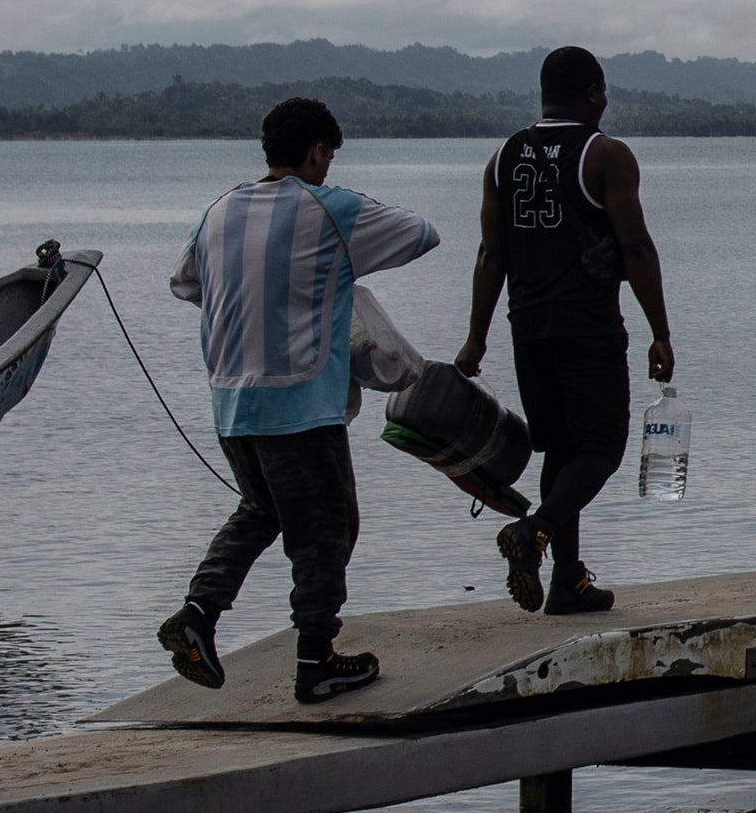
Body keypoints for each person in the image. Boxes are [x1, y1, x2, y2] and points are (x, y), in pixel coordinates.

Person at [161, 97, 441, 701]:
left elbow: (185, 282)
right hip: (300, 405)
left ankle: (196, 615)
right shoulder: (329, 208)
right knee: (328, 530)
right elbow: (423, 232)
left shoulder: (218, 211)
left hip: (232, 405)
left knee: (262, 511)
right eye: (328, 157)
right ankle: (315, 662)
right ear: (318, 152)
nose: (327, 167)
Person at [457, 49, 677, 617]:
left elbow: (491, 254)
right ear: (595, 93)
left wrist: (476, 339)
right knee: (602, 447)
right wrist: (661, 332)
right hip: (587, 329)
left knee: (562, 448)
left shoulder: (503, 157)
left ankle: (567, 582)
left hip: (526, 329)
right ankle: (535, 530)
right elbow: (634, 248)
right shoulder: (606, 156)